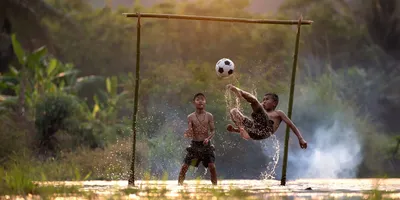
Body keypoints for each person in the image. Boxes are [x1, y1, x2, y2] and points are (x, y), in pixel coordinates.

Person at [226, 84, 307, 149]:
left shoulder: (278, 113)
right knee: (234, 111)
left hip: (266, 130)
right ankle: (241, 129)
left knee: (254, 102)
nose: (264, 101)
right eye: (263, 99)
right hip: (255, 132)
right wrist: (234, 130)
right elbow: (253, 126)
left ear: (274, 103)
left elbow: (291, 125)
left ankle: (241, 92)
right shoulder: (262, 113)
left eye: (267, 99)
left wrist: (300, 138)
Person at [178, 93, 218, 185]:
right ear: (194, 102)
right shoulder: (190, 117)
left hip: (206, 145)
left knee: (212, 167)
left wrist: (208, 138)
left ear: (205, 102)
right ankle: (179, 186)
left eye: (202, 99)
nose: (200, 101)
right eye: (198, 99)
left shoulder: (209, 116)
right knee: (184, 167)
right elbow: (190, 130)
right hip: (194, 145)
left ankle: (216, 187)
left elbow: (213, 131)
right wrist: (188, 133)